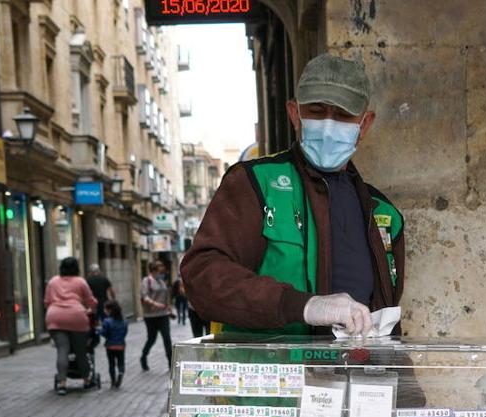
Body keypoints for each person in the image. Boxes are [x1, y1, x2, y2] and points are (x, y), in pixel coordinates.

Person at [180, 53, 404, 336]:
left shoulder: (384, 214)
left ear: (365, 123)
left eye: (343, 115)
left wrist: (398, 375)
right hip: (274, 375)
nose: (328, 124)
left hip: (356, 376)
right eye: (317, 111)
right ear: (294, 113)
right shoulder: (255, 183)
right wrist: (303, 306)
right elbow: (202, 277)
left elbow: (389, 318)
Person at [45, 257, 97, 395]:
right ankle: (86, 381)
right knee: (81, 352)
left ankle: (62, 384)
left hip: (55, 318)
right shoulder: (80, 282)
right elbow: (90, 301)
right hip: (76, 317)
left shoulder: (53, 281)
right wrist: (91, 309)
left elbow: (46, 302)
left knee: (62, 350)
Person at [139, 259, 174, 370]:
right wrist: (155, 304)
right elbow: (144, 297)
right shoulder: (146, 281)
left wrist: (169, 309)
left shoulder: (162, 281)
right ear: (153, 271)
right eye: (160, 272)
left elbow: (165, 296)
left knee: (167, 338)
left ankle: (171, 363)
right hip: (150, 316)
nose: (162, 274)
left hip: (163, 315)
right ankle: (143, 357)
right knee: (151, 339)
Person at [100, 300, 129, 388]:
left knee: (111, 364)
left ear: (109, 310)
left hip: (110, 346)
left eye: (105, 309)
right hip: (121, 345)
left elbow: (105, 333)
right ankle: (120, 372)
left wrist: (99, 332)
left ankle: (113, 381)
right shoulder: (124, 321)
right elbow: (125, 333)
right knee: (121, 362)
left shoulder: (107, 321)